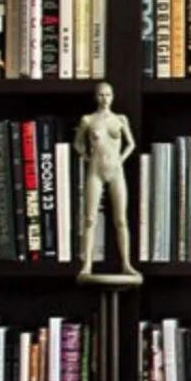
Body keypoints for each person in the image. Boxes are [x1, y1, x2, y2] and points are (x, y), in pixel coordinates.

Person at [74, 81, 141, 282]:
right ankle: (87, 264)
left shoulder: (120, 119)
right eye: (101, 95)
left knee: (121, 219)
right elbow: (77, 143)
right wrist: (85, 155)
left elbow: (131, 144)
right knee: (89, 218)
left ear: (112, 97)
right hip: (95, 169)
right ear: (96, 97)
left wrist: (121, 158)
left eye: (108, 95)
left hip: (116, 170)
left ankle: (126, 263)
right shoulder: (88, 120)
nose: (105, 99)